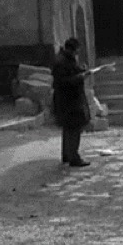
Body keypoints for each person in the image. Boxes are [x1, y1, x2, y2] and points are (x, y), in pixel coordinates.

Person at [51, 37, 92, 167]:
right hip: (69, 100)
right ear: (71, 49)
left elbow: (71, 71)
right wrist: (80, 77)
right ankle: (74, 157)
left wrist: (81, 70)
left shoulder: (66, 59)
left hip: (69, 100)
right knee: (74, 128)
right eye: (76, 51)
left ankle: (67, 155)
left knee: (68, 128)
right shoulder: (61, 62)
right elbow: (64, 82)